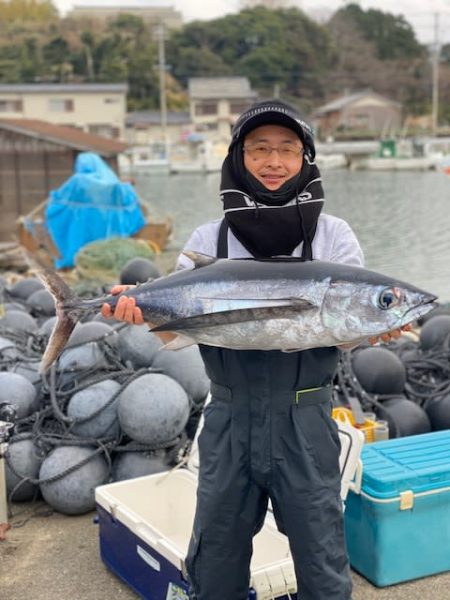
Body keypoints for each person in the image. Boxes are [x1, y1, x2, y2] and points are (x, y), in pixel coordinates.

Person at [102, 100, 409, 600]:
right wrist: (141, 315)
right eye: (260, 149)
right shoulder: (210, 239)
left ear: (305, 160)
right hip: (228, 420)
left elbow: (346, 329)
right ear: (237, 158)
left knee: (323, 563)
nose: (274, 161)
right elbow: (179, 335)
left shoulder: (333, 236)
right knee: (216, 562)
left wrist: (379, 324)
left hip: (305, 420)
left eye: (288, 150)